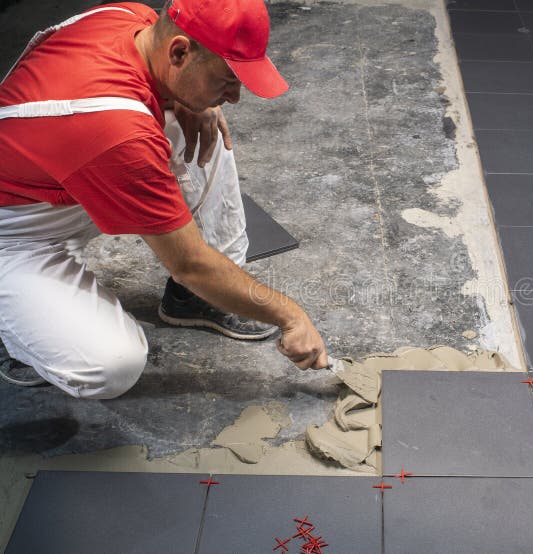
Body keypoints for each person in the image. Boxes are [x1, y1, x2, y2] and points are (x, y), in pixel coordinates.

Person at [0, 0, 329, 399]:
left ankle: (193, 302)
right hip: (16, 236)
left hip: (60, 177)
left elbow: (141, 104)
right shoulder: (114, 130)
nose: (237, 96)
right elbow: (188, 262)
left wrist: (186, 99)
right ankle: (22, 334)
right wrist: (290, 317)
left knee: (201, 114)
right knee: (110, 366)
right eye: (227, 79)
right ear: (178, 52)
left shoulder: (132, 18)